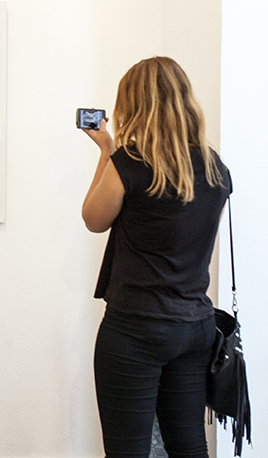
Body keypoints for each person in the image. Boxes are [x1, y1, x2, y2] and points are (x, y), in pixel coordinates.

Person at [81, 56, 231, 458]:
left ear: (134, 105)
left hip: (136, 329)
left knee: (128, 450)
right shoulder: (215, 167)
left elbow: (93, 219)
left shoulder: (130, 163)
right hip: (195, 327)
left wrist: (107, 151)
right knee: (189, 447)